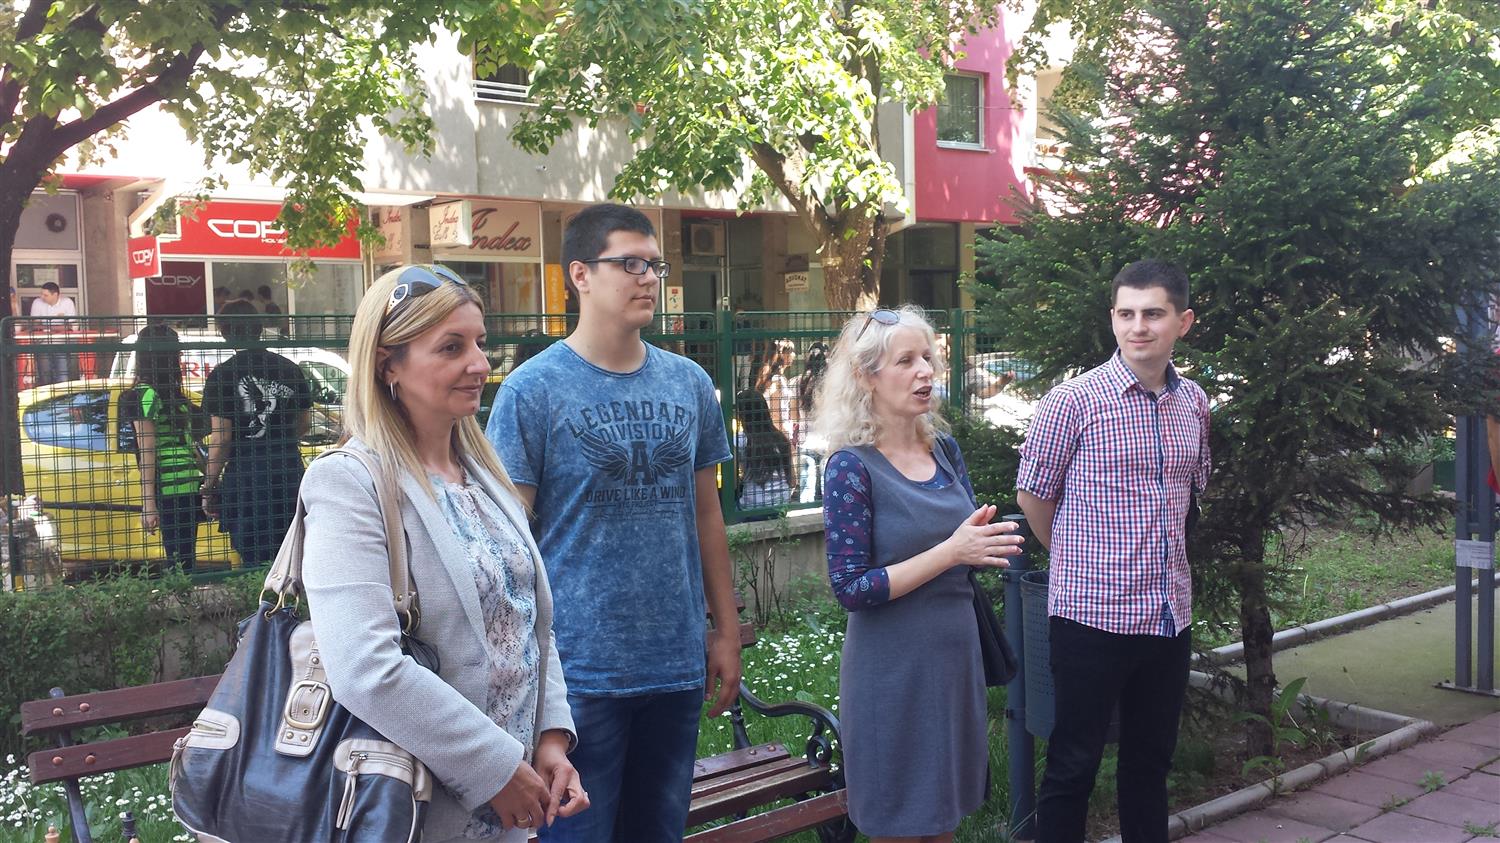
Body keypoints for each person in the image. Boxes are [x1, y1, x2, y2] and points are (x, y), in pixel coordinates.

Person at [301, 263, 588, 841]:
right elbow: (363, 668)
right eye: (451, 347)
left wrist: (551, 737)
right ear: (387, 364)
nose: (480, 364)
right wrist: (494, 768)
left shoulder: (483, 473)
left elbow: (527, 619)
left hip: (513, 806)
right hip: (412, 809)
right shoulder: (350, 481)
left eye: (480, 342)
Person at [485, 203, 741, 842]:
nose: (648, 277)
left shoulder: (688, 383)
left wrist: (726, 630)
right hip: (578, 677)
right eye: (629, 263)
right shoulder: (532, 391)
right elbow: (509, 542)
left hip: (675, 664)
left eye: (654, 265)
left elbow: (707, 515)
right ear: (580, 274)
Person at [1016, 260, 1211, 843]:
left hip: (1168, 614)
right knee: (1073, 765)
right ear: (1113, 319)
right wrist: (1080, 562)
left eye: (1153, 313)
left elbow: (1190, 494)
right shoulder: (1072, 402)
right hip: (1091, 617)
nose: (1138, 327)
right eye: (1126, 314)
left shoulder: (1194, 403)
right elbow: (1033, 497)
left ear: (1183, 322)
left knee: (1150, 763)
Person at [819, 305, 1023, 842]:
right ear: (867, 376)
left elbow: (965, 541)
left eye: (928, 357)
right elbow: (851, 587)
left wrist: (980, 545)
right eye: (906, 360)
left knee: (943, 821)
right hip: (893, 674)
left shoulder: (945, 451)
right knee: (901, 822)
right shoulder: (851, 466)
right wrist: (952, 552)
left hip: (955, 664)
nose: (925, 371)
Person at [200, 300, 311, 566]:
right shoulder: (289, 369)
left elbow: (221, 438)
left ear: (225, 332)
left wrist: (209, 485)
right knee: (292, 553)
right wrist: (278, 438)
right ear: (260, 328)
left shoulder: (222, 375)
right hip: (288, 471)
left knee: (252, 557)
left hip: (246, 478)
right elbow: (304, 423)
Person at [121, 323, 203, 573]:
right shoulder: (177, 397)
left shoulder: (141, 395)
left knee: (177, 563)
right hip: (190, 484)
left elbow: (147, 450)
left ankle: (181, 596)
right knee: (186, 559)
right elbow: (191, 445)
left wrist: (148, 503)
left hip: (167, 488)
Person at [734, 389, 794, 510]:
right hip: (781, 506)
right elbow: (792, 481)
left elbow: (732, 483)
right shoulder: (781, 438)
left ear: (741, 415)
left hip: (752, 506)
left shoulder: (740, 439)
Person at [795, 342, 829, 502]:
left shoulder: (798, 381)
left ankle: (804, 510)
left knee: (806, 488)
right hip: (826, 439)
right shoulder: (829, 384)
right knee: (827, 484)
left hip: (805, 439)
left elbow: (794, 412)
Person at [29, 281, 77, 385]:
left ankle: (63, 395)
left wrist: (46, 327)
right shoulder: (37, 302)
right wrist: (58, 327)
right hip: (42, 343)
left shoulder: (67, 302)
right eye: (41, 294)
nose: (42, 297)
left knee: (63, 377)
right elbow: (34, 325)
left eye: (45, 295)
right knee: (45, 377)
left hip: (62, 344)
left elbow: (72, 326)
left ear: (55, 295)